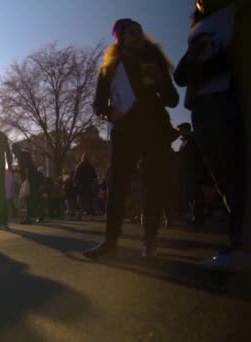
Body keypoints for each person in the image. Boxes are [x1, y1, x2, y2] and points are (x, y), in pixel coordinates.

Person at [83, 18, 180, 259]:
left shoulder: (154, 60)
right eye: (129, 32)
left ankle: (150, 240)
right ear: (120, 38)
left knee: (153, 183)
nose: (136, 35)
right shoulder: (111, 67)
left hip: (155, 128)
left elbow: (173, 100)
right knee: (117, 185)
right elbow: (98, 104)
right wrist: (109, 112)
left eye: (138, 30)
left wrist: (159, 79)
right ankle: (110, 241)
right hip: (125, 131)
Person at [174, 0, 249, 268]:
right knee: (222, 175)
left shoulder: (238, 12)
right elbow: (181, 76)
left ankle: (242, 244)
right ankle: (241, 240)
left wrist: (204, 67)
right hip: (200, 106)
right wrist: (197, 57)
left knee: (235, 169)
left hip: (228, 98)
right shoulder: (197, 28)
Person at [176, 123, 206, 226]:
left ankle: (198, 217)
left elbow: (196, 156)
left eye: (180, 129)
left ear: (186, 129)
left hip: (193, 171)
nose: (179, 131)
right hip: (187, 172)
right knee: (191, 194)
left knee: (194, 195)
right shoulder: (185, 141)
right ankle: (196, 216)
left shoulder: (192, 140)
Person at [12, 144, 41, 224]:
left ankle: (29, 218)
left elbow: (27, 168)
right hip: (32, 178)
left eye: (13, 149)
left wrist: (27, 179)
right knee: (31, 198)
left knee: (29, 198)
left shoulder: (22, 156)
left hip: (31, 178)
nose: (13, 151)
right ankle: (33, 216)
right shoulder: (23, 155)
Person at [74, 154, 98, 220]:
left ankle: (80, 214)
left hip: (82, 185)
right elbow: (94, 176)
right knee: (89, 200)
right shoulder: (90, 166)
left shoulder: (79, 166)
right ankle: (92, 215)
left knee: (81, 201)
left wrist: (77, 184)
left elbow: (76, 176)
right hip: (89, 185)